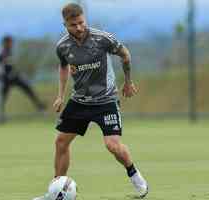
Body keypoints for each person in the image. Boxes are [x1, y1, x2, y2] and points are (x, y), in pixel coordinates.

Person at [34, 3, 148, 200]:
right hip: (79, 101)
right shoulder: (62, 46)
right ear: (65, 25)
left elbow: (125, 54)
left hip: (106, 100)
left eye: (81, 23)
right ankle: (55, 191)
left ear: (84, 19)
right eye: (73, 25)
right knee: (61, 142)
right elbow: (63, 67)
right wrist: (61, 95)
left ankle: (134, 174)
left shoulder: (102, 39)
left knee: (112, 145)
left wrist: (128, 82)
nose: (79, 28)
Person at [0, 35, 47, 123]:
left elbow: (11, 64)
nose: (11, 44)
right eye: (9, 42)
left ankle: (41, 108)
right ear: (5, 42)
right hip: (4, 79)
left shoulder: (10, 51)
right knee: (2, 97)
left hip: (13, 76)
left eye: (11, 42)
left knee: (28, 88)